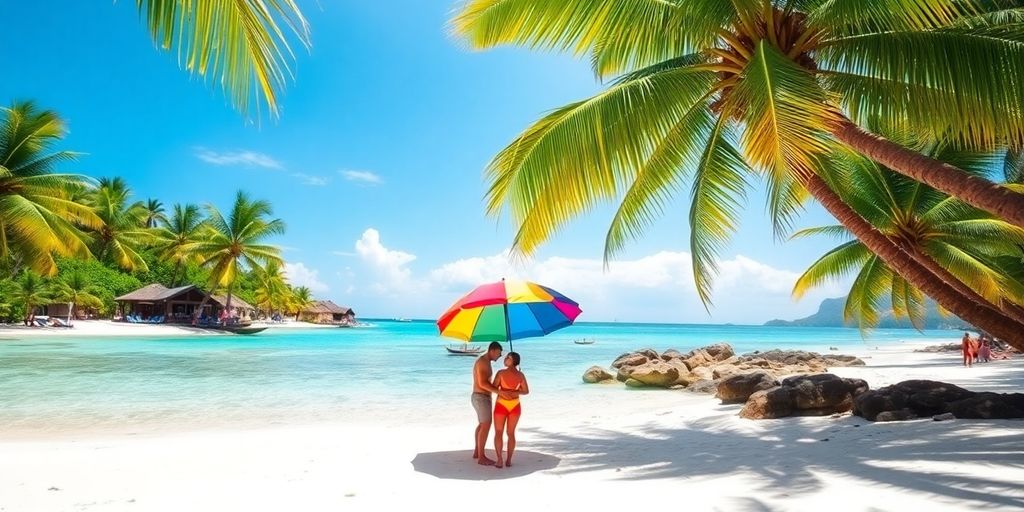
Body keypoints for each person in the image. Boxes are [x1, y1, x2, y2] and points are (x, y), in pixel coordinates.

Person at [471, 341, 509, 466]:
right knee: (486, 425)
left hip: (481, 397)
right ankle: (482, 457)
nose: (499, 356)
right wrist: (499, 392)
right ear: (492, 350)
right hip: (480, 397)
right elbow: (482, 383)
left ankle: (477, 451)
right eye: (498, 353)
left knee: (482, 425)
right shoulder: (482, 362)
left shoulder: (486, 362)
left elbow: (488, 383)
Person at [492, 351, 529, 469]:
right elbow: (526, 391)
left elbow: (494, 388)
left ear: (512, 361)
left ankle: (499, 460)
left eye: (507, 357)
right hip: (515, 405)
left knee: (498, 432)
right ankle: (508, 460)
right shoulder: (521, 375)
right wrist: (515, 391)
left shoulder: (501, 373)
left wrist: (504, 391)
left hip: (501, 404)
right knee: (511, 433)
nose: (505, 358)